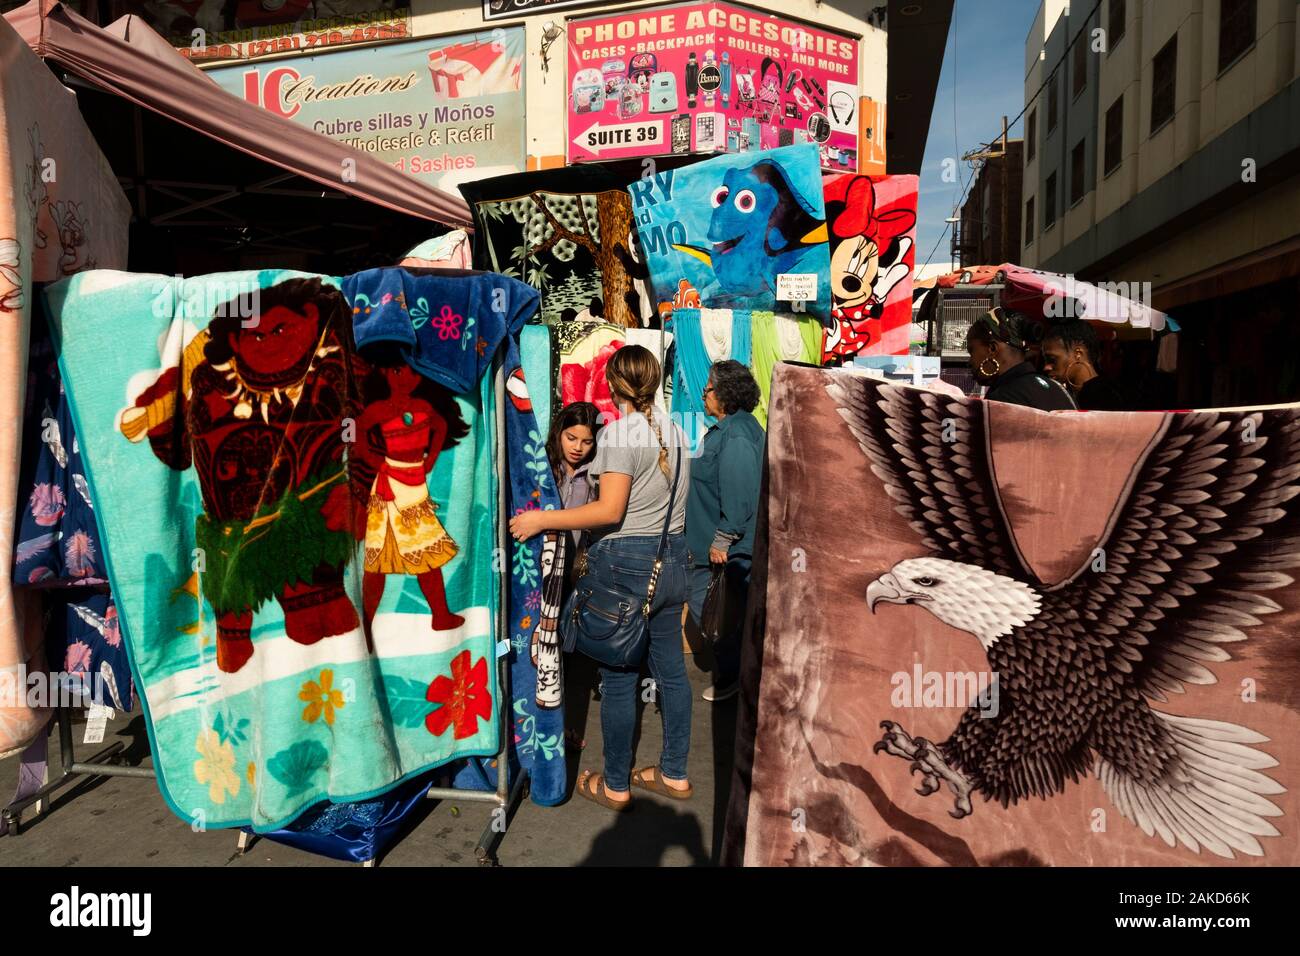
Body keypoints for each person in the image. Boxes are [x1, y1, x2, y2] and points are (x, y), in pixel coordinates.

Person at [509, 345, 691, 811]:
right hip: (671, 561)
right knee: (671, 674)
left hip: (628, 564)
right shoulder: (675, 432)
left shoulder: (618, 435)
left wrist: (543, 521)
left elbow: (610, 510)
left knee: (619, 677)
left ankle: (615, 785)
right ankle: (674, 773)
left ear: (611, 384)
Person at [685, 360, 763, 703]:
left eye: (709, 388)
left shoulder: (737, 433)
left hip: (726, 548)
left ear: (725, 393)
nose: (704, 395)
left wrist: (723, 537)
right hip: (717, 544)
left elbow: (739, 488)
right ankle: (738, 675)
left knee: (721, 611)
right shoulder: (732, 428)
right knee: (721, 609)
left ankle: (735, 677)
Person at [966, 307, 1076, 411]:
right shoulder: (1057, 388)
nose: (969, 362)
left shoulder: (1003, 399)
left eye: (972, 351)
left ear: (992, 349)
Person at [545, 401, 602, 569]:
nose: (577, 447)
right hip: (543, 560)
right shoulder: (543, 467)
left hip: (576, 567)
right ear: (559, 432)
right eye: (571, 438)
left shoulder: (598, 475)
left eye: (587, 442)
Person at [1040, 319, 1129, 410]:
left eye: (1052, 360)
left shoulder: (1102, 396)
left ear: (1078, 354)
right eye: (1045, 360)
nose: (1046, 367)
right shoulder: (1077, 393)